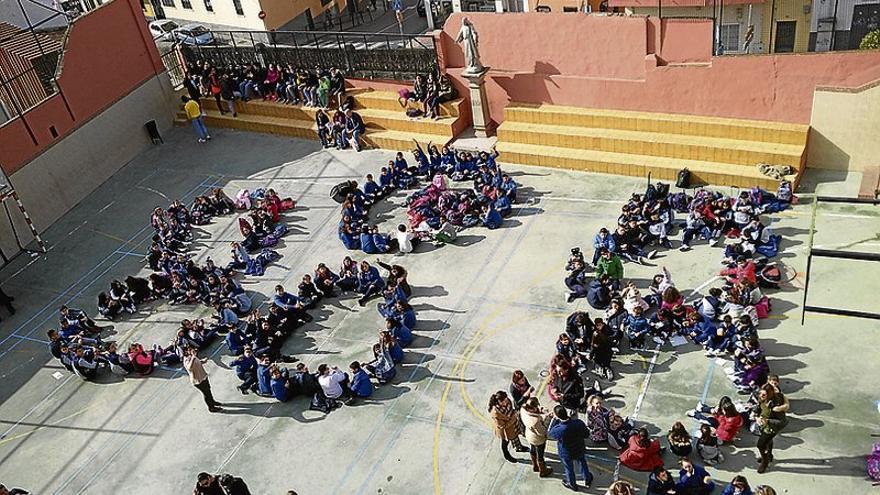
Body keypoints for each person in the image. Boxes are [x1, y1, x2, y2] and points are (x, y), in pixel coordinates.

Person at [548, 405, 594, 491]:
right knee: (582, 462)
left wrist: (554, 420)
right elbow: (586, 434)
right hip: (579, 448)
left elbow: (550, 433)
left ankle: (572, 484)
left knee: (569, 468)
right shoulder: (578, 423)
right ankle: (587, 478)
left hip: (566, 452)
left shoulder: (559, 429)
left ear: (557, 416)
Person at [752, 383, 787, 473]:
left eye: (764, 395)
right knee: (768, 442)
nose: (761, 396)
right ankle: (769, 455)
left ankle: (765, 462)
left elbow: (783, 422)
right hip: (763, 425)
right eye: (760, 394)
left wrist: (768, 421)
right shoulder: (762, 399)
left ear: (770, 394)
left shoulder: (775, 406)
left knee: (760, 445)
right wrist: (755, 414)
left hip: (771, 429)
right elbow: (759, 407)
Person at [488, 390, 528, 463]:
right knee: (505, 442)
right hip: (504, 430)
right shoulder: (496, 413)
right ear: (499, 402)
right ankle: (507, 455)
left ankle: (519, 447)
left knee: (515, 436)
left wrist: (514, 415)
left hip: (512, 425)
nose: (506, 402)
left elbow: (511, 409)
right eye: (504, 401)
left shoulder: (507, 401)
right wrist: (513, 417)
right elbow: (503, 426)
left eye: (506, 399)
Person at [520, 397, 553, 477]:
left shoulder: (523, 409)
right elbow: (542, 432)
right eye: (536, 407)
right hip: (537, 439)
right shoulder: (535, 421)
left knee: (532, 449)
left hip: (529, 435)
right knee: (540, 455)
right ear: (532, 409)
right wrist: (548, 418)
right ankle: (543, 471)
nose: (537, 408)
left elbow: (535, 412)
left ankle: (535, 466)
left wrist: (541, 410)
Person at [183, 347, 222, 412]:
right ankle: (211, 407)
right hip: (198, 381)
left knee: (208, 390)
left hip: (203, 376)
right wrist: (193, 356)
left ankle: (212, 401)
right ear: (186, 352)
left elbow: (196, 362)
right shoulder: (186, 359)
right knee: (206, 393)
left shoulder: (192, 356)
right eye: (189, 350)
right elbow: (190, 367)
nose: (192, 350)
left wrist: (202, 361)